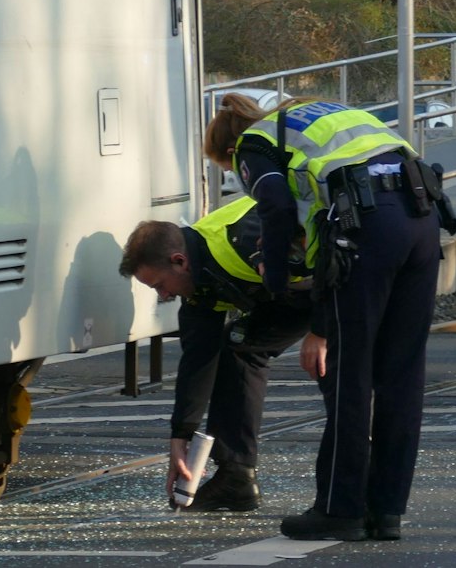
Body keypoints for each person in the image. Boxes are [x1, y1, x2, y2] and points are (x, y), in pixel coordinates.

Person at [203, 94, 450, 542]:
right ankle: (387, 510)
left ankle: (340, 509)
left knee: (349, 375)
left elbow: (275, 206)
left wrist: (275, 278)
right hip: (422, 217)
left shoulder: (254, 145)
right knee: (402, 375)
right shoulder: (321, 115)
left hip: (368, 227)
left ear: (229, 149)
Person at [119, 198, 316, 514]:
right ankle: (236, 476)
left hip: (341, 280)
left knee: (340, 372)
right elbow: (197, 362)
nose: (164, 296)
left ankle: (354, 495)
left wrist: (321, 334)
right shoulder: (199, 287)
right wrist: (179, 439)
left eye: (159, 285)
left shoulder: (245, 240)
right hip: (294, 293)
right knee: (239, 349)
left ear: (180, 261)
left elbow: (329, 270)